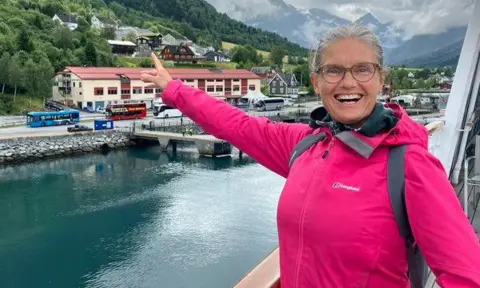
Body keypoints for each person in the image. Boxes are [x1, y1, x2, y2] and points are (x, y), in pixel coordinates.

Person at [141, 24, 480, 288]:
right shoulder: (307, 144)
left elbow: (468, 276)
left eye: (362, 69)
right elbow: (237, 125)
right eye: (334, 71)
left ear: (380, 80)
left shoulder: (409, 166)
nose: (348, 83)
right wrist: (174, 90)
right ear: (317, 82)